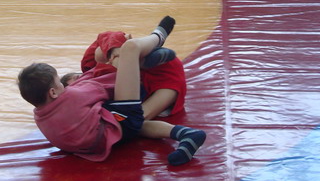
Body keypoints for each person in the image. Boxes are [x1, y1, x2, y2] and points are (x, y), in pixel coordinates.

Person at [17, 17, 206, 165]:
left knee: (111, 46)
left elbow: (103, 46)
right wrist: (126, 64)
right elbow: (104, 88)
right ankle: (158, 37)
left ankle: (185, 134)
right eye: (61, 83)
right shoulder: (76, 93)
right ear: (53, 92)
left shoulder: (40, 116)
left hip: (110, 135)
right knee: (131, 48)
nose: (67, 85)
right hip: (121, 115)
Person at [66, 29, 187, 120]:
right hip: (163, 83)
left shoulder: (88, 64)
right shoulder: (91, 102)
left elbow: (108, 36)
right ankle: (142, 55)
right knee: (135, 119)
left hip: (150, 63)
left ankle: (136, 57)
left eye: (77, 81)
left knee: (100, 53)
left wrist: (117, 50)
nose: (81, 86)